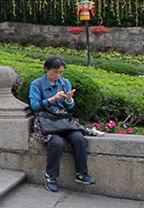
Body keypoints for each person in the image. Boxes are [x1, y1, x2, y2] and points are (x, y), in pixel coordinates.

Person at [29, 56, 96, 192]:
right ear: (47, 69)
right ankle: (50, 176)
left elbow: (69, 107)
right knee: (57, 142)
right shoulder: (36, 84)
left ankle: (81, 173)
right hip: (46, 119)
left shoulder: (65, 83)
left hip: (63, 119)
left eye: (61, 72)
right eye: (55, 72)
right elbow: (35, 106)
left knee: (79, 139)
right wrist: (52, 99)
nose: (58, 75)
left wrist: (69, 99)